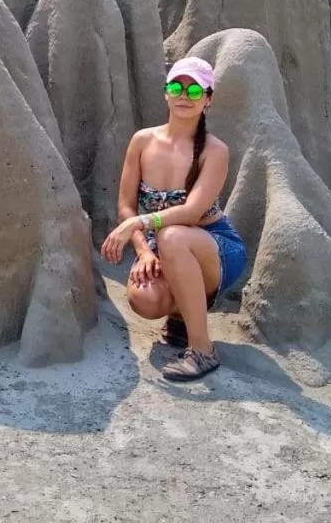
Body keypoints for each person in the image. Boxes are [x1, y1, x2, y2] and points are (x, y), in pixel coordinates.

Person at [99, 56, 247, 381]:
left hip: (215, 248)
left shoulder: (214, 150)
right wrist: (143, 251)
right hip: (163, 246)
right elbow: (125, 206)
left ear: (208, 99)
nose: (184, 95)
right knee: (144, 298)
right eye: (176, 87)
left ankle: (203, 350)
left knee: (174, 236)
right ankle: (180, 318)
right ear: (165, 93)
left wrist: (139, 224)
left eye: (195, 91)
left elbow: (191, 212)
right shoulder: (142, 141)